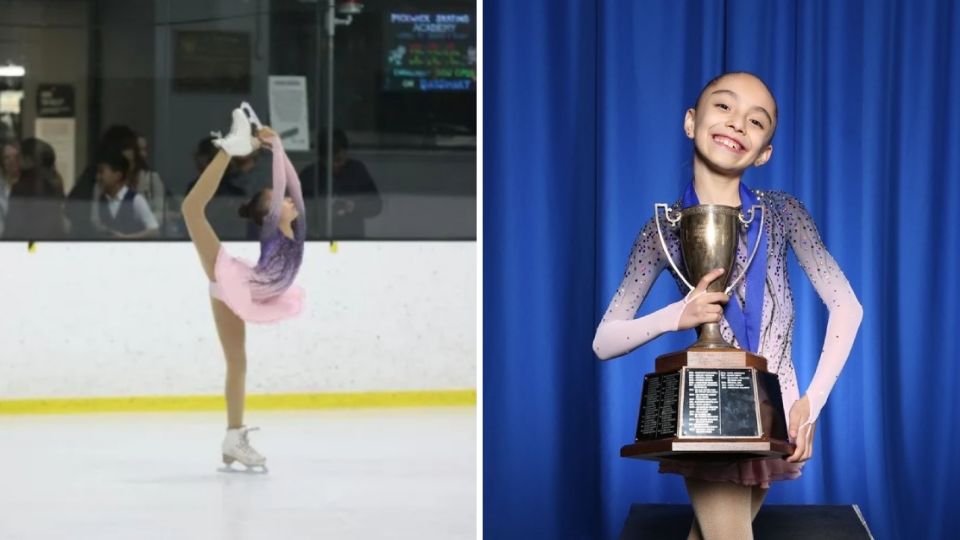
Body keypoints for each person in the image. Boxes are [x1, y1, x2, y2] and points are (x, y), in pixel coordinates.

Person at [592, 72, 864, 539]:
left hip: (775, 413)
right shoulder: (661, 230)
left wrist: (809, 405)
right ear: (691, 121)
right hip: (709, 411)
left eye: (756, 121)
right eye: (724, 107)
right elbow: (603, 341)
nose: (738, 123)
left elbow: (847, 307)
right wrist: (673, 317)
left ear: (764, 153)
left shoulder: (784, 214)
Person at [181, 103, 305, 473]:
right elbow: (284, 184)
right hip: (236, 282)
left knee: (237, 362)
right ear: (268, 215)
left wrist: (278, 148)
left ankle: (233, 438)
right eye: (279, 201)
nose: (288, 200)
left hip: (245, 290)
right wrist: (274, 149)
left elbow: (293, 185)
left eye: (284, 198)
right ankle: (227, 151)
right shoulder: (272, 234)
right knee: (192, 210)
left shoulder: (296, 233)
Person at [299, 128, 381, 238]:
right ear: (323, 158)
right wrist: (325, 210)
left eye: (344, 159)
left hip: (353, 240)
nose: (341, 163)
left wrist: (355, 206)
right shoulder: (309, 176)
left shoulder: (357, 170)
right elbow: (297, 213)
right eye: (336, 160)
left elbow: (376, 205)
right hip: (319, 241)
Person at [91, 149, 159, 239]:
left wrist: (127, 238)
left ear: (117, 175)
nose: (98, 177)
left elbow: (154, 230)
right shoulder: (101, 200)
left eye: (102, 172)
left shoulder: (135, 200)